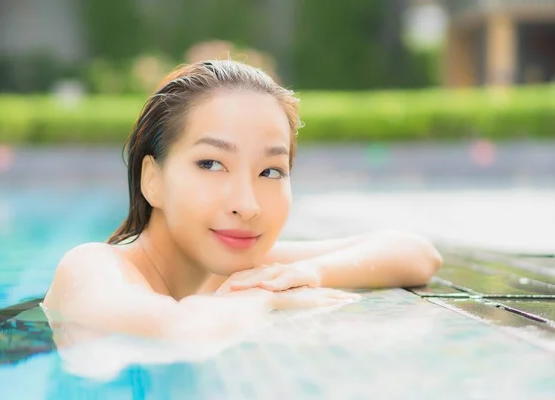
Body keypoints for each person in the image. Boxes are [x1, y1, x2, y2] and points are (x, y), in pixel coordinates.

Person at [42, 60, 443, 341]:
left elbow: (417, 254)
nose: (247, 205)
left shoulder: (234, 266)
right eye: (212, 163)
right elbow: (182, 331)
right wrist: (266, 298)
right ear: (153, 180)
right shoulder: (91, 267)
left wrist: (309, 273)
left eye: (271, 171)